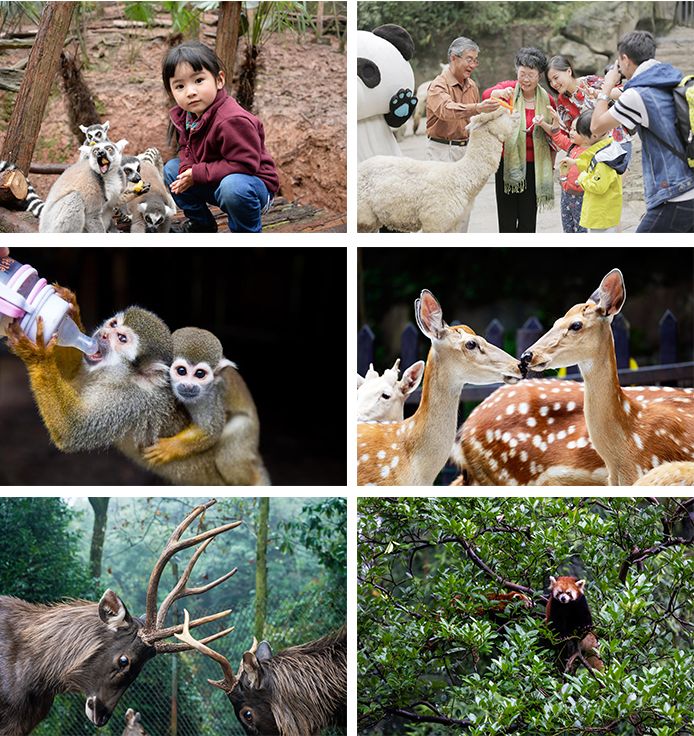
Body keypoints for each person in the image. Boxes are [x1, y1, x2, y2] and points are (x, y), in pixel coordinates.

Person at [162, 41, 279, 233]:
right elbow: (186, 148)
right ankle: (202, 223)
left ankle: (245, 232)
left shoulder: (231, 120)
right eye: (180, 86)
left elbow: (245, 164)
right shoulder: (188, 115)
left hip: (251, 187)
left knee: (233, 187)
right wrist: (186, 170)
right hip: (217, 179)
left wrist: (196, 173)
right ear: (171, 92)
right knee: (172, 170)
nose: (190, 92)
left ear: (219, 80)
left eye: (198, 81)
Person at [590, 30, 694, 232]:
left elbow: (596, 127)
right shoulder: (670, 80)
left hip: (673, 194)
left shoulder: (637, 95)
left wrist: (607, 85)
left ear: (625, 59)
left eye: (619, 62)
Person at [424, 37, 499, 232]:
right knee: (441, 207)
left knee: (464, 206)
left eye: (475, 60)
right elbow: (446, 110)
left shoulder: (472, 86)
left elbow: (475, 120)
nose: (473, 65)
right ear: (453, 58)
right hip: (442, 150)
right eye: (469, 59)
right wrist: (478, 108)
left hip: (465, 152)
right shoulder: (438, 85)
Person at [483, 47, 556, 233]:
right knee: (506, 222)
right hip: (507, 165)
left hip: (535, 168)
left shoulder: (547, 101)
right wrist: (496, 94)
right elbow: (486, 96)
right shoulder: (508, 89)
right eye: (522, 73)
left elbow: (554, 136)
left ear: (539, 75)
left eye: (531, 75)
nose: (525, 79)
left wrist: (553, 164)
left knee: (527, 222)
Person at [573, 109, 629, 232]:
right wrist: (576, 162)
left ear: (594, 135)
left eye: (583, 136)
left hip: (600, 216)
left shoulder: (604, 159)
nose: (583, 140)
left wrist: (582, 177)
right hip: (606, 213)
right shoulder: (610, 148)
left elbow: (598, 186)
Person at [534, 110, 587, 232]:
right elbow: (557, 136)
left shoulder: (592, 152)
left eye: (576, 130)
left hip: (582, 197)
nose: (571, 132)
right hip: (566, 194)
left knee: (581, 228)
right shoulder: (571, 146)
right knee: (567, 226)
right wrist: (555, 121)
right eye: (571, 129)